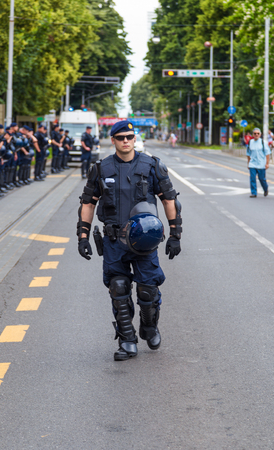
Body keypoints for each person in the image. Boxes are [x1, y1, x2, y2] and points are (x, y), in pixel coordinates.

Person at [77, 120, 182, 361]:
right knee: (119, 289)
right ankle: (127, 339)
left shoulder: (152, 165)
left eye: (129, 137)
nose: (126, 140)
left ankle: (149, 326)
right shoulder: (101, 168)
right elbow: (88, 202)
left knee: (147, 290)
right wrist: (83, 236)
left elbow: (169, 200)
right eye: (120, 137)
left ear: (135, 139)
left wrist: (175, 234)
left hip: (146, 241)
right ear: (112, 140)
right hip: (114, 241)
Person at [247, 127, 271, 198]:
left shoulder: (263, 142)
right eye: (255, 133)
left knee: (262, 179)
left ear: (260, 134)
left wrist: (267, 163)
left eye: (258, 133)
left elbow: (267, 153)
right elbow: (248, 154)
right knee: (252, 178)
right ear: (253, 134)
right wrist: (248, 163)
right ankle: (253, 193)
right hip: (252, 164)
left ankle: (265, 188)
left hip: (261, 164)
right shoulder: (250, 142)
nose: (256, 135)